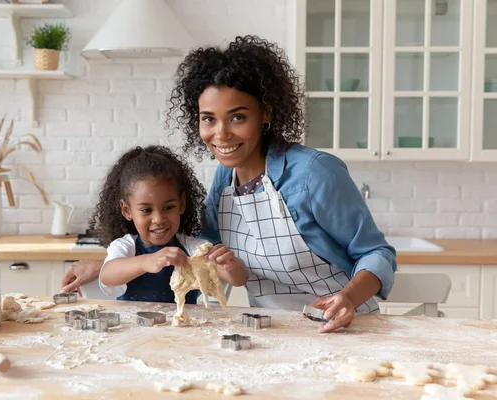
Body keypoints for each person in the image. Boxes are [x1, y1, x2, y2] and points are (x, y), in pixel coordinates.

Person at [164, 35, 397, 333]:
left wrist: (348, 299)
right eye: (209, 119)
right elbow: (204, 250)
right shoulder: (225, 179)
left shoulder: (315, 173)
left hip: (344, 326)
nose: (220, 134)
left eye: (237, 117)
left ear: (267, 113)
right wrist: (107, 265)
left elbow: (377, 253)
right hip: (271, 330)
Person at [75, 145, 248, 303]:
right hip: (134, 332)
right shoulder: (126, 246)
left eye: (168, 207)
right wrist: (146, 262)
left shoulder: (193, 247)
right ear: (127, 210)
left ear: (181, 204)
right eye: (146, 210)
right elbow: (108, 275)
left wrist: (231, 265)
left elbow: (239, 279)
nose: (158, 219)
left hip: (183, 332)